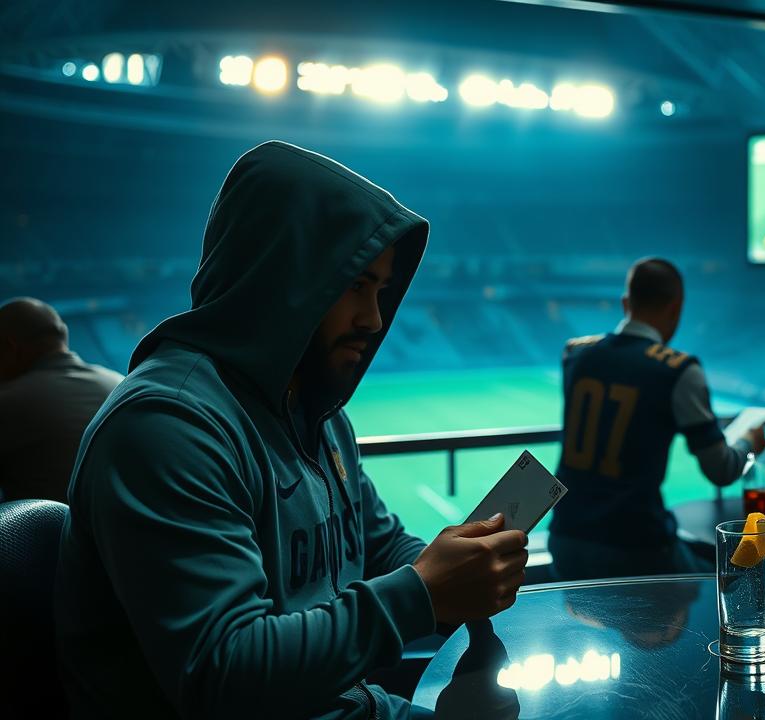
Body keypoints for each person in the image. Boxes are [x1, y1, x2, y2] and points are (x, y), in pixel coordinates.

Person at [55, 141, 529, 719]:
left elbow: (379, 548)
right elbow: (223, 674)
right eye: (354, 284)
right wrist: (424, 593)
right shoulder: (167, 427)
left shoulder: (316, 414)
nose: (373, 319)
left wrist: (465, 567)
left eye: (381, 291)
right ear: (281, 273)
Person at [549, 258, 765, 580]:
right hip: (635, 545)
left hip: (566, 536)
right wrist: (750, 439)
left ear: (626, 303)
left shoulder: (576, 354)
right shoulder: (678, 370)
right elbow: (721, 470)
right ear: (676, 308)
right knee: (728, 583)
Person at [0, 298, 122, 502]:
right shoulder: (119, 383)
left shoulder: (9, 402)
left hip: (57, 533)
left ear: (10, 347)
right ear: (63, 334)